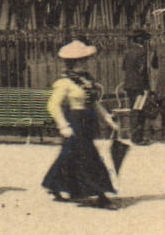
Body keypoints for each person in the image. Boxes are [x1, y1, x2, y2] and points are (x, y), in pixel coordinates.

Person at [41, 40, 119, 209]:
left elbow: (94, 102)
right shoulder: (65, 82)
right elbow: (53, 105)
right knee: (89, 157)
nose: (86, 62)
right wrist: (63, 126)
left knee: (70, 155)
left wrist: (107, 117)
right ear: (73, 62)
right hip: (74, 121)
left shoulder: (87, 80)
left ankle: (54, 184)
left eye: (86, 59)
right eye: (82, 60)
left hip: (88, 120)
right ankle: (101, 194)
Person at [121, 29, 152, 145]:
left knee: (134, 109)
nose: (145, 41)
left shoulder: (128, 51)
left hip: (129, 85)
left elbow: (123, 67)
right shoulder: (141, 51)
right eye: (144, 39)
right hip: (139, 85)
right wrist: (146, 87)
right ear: (140, 39)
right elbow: (142, 70)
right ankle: (137, 138)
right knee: (139, 111)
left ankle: (134, 135)